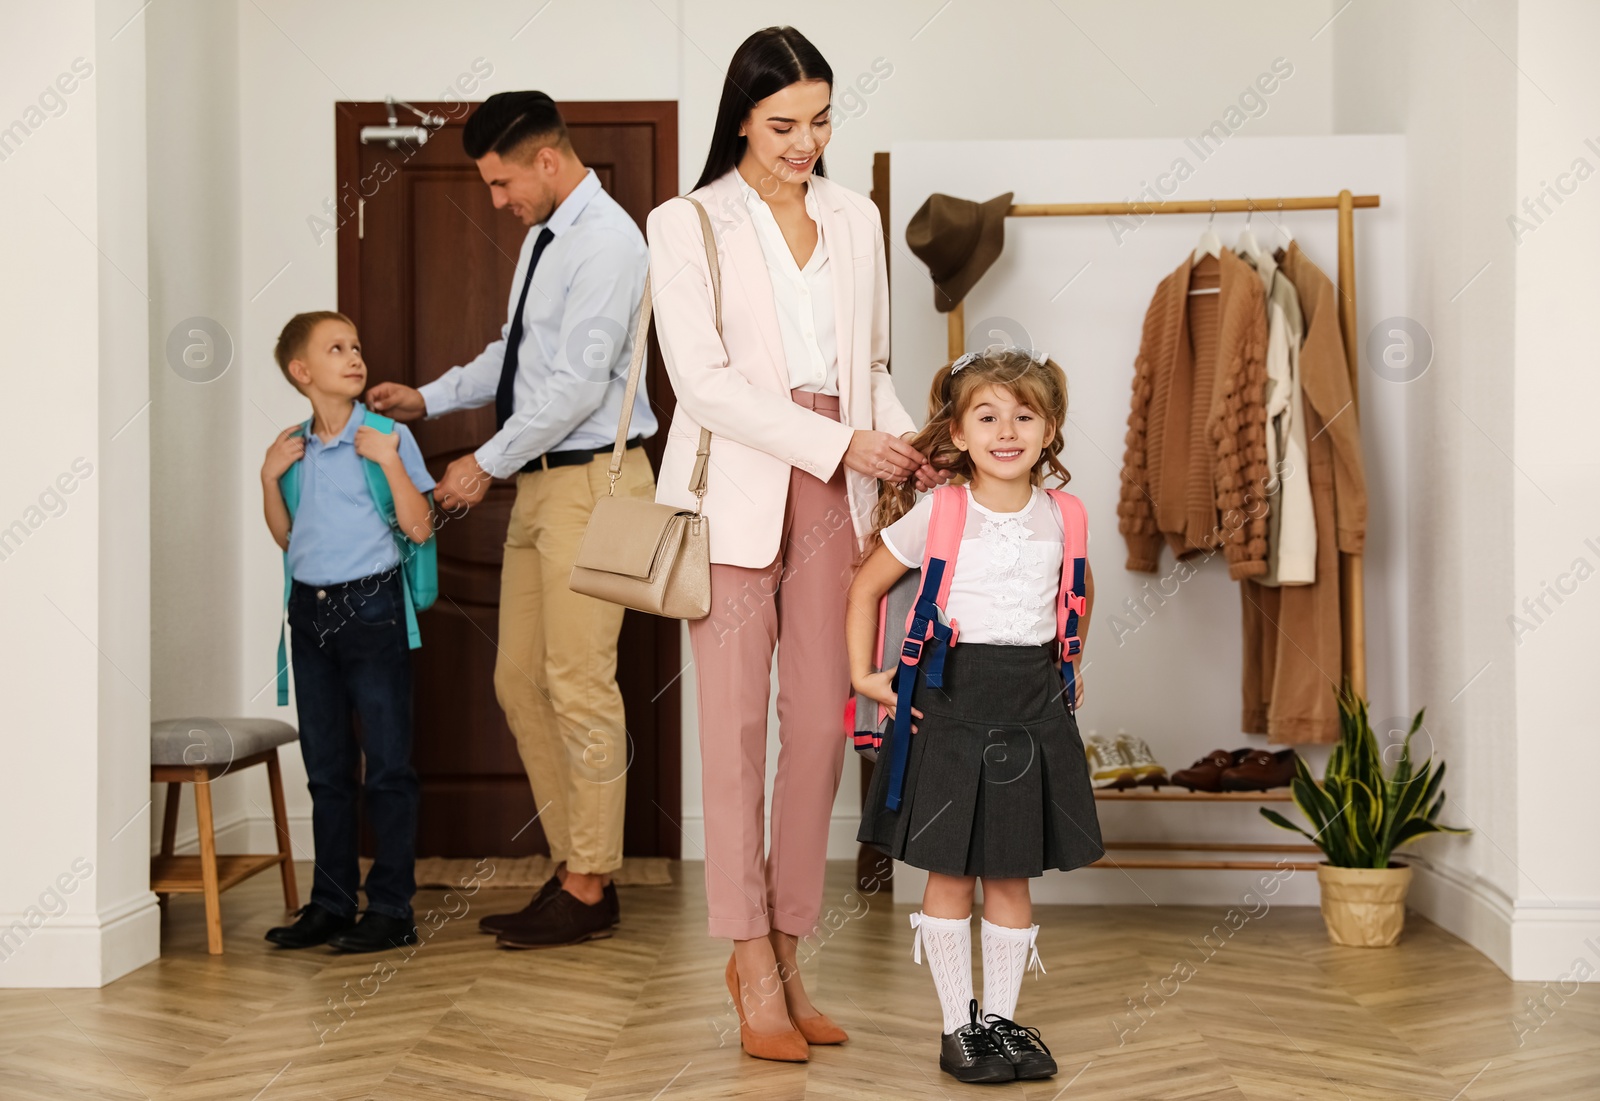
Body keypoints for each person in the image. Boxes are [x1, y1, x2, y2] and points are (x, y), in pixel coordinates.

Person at [646, 25, 940, 1064]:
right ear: (740, 117)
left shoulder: (856, 218)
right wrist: (839, 436)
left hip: (837, 495)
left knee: (819, 730)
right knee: (729, 742)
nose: (804, 143)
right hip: (734, 495)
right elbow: (704, 383)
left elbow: (869, 364)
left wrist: (905, 442)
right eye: (783, 124)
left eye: (820, 121)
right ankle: (751, 961)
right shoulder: (686, 222)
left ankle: (787, 944)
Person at [367, 91, 657, 949]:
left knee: (578, 683)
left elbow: (575, 388)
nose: (498, 202)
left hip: (596, 485)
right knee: (519, 682)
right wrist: (430, 397)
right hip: (540, 487)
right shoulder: (546, 235)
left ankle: (590, 880)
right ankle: (575, 866)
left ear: (546, 158)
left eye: (500, 183)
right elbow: (517, 357)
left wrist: (478, 461)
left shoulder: (609, 242)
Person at [849, 348, 1106, 1084]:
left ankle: (999, 1019)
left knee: (1011, 873)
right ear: (957, 432)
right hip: (950, 703)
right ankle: (956, 1024)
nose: (1007, 430)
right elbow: (866, 588)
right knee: (951, 872)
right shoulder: (943, 510)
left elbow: (1077, 596)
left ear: (1050, 428)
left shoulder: (1068, 516)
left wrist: (1072, 660)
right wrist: (863, 674)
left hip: (1033, 705)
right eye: (987, 415)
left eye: (1025, 415)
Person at [261, 311, 436, 954]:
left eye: (356, 346)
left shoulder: (387, 436)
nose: (354, 357)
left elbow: (419, 528)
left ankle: (391, 909)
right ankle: (331, 903)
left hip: (372, 609)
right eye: (336, 349)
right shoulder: (293, 447)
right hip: (308, 614)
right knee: (326, 770)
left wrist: (390, 463)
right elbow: (286, 536)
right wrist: (266, 478)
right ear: (301, 373)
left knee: (387, 768)